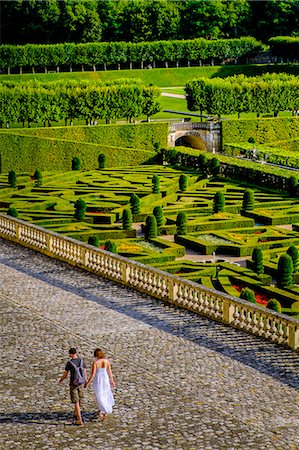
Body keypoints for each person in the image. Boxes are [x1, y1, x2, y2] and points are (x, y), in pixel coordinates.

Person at [84, 348, 116, 420]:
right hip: (105, 379)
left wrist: (88, 383)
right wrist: (112, 381)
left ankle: (102, 410)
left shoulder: (95, 363)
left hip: (98, 379)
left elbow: (92, 375)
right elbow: (110, 372)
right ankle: (104, 408)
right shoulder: (107, 361)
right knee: (105, 393)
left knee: (99, 394)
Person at [59, 348, 87, 426]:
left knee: (76, 402)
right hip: (81, 383)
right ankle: (76, 413)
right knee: (80, 399)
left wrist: (61, 380)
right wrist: (85, 381)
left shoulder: (69, 363)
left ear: (71, 354)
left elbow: (65, 374)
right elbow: (85, 372)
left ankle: (79, 419)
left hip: (73, 384)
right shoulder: (81, 361)